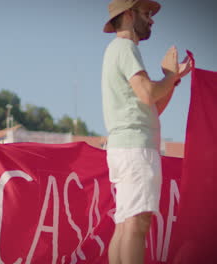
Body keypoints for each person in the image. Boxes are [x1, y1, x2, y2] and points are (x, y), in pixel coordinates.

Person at [101, 0, 192, 263]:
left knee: (126, 225)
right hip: (135, 149)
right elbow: (148, 92)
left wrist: (172, 79)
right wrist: (169, 76)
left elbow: (151, 105)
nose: (152, 19)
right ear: (129, 15)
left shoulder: (118, 49)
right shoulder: (125, 47)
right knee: (136, 225)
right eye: (146, 12)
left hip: (126, 148)